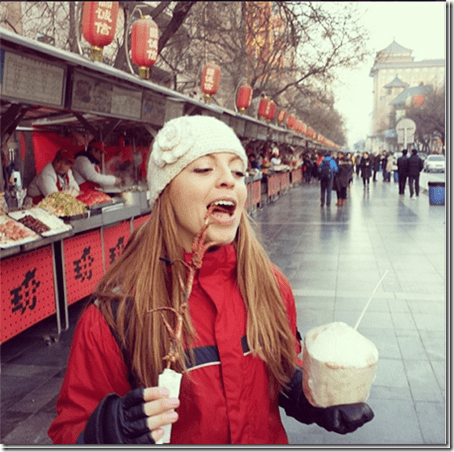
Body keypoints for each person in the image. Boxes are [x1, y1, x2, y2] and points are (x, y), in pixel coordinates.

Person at [47, 116, 373, 445]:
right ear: (165, 190)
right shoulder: (117, 311)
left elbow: (280, 371)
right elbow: (69, 430)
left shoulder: (272, 286)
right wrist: (106, 430)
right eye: (204, 169)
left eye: (237, 171)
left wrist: (312, 397)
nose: (228, 181)